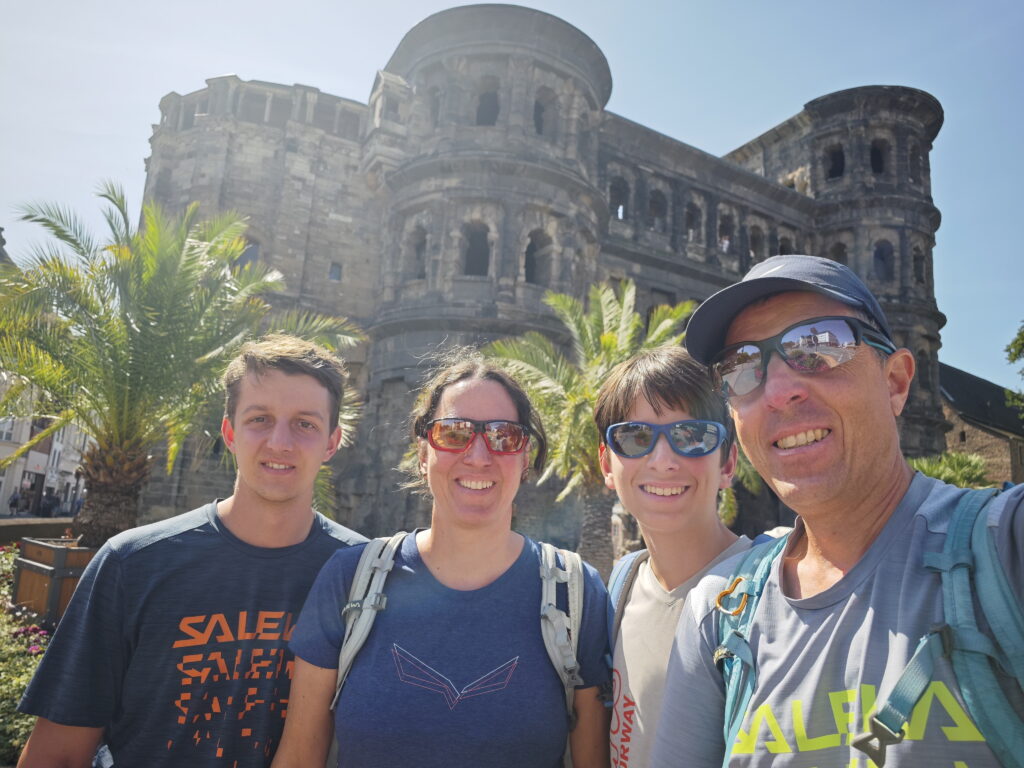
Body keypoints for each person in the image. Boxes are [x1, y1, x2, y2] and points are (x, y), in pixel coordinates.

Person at [649, 254, 1024, 766]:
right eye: (741, 367)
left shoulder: (1004, 549)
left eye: (818, 347)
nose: (779, 391)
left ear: (895, 381)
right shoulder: (719, 615)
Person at [17, 334, 366, 768]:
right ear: (229, 432)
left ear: (332, 443)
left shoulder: (364, 576)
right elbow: (59, 752)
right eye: (259, 419)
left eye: (305, 424)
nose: (280, 442)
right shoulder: (133, 563)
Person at [271, 350, 610, 768]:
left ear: (525, 458)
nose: (479, 456)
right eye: (454, 433)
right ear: (423, 451)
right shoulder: (350, 578)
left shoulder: (574, 595)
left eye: (505, 436)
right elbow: (299, 756)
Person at [595, 346, 749, 767]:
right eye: (635, 437)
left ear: (728, 462)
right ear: (607, 464)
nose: (664, 461)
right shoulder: (621, 587)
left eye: (693, 435)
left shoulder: (765, 593)